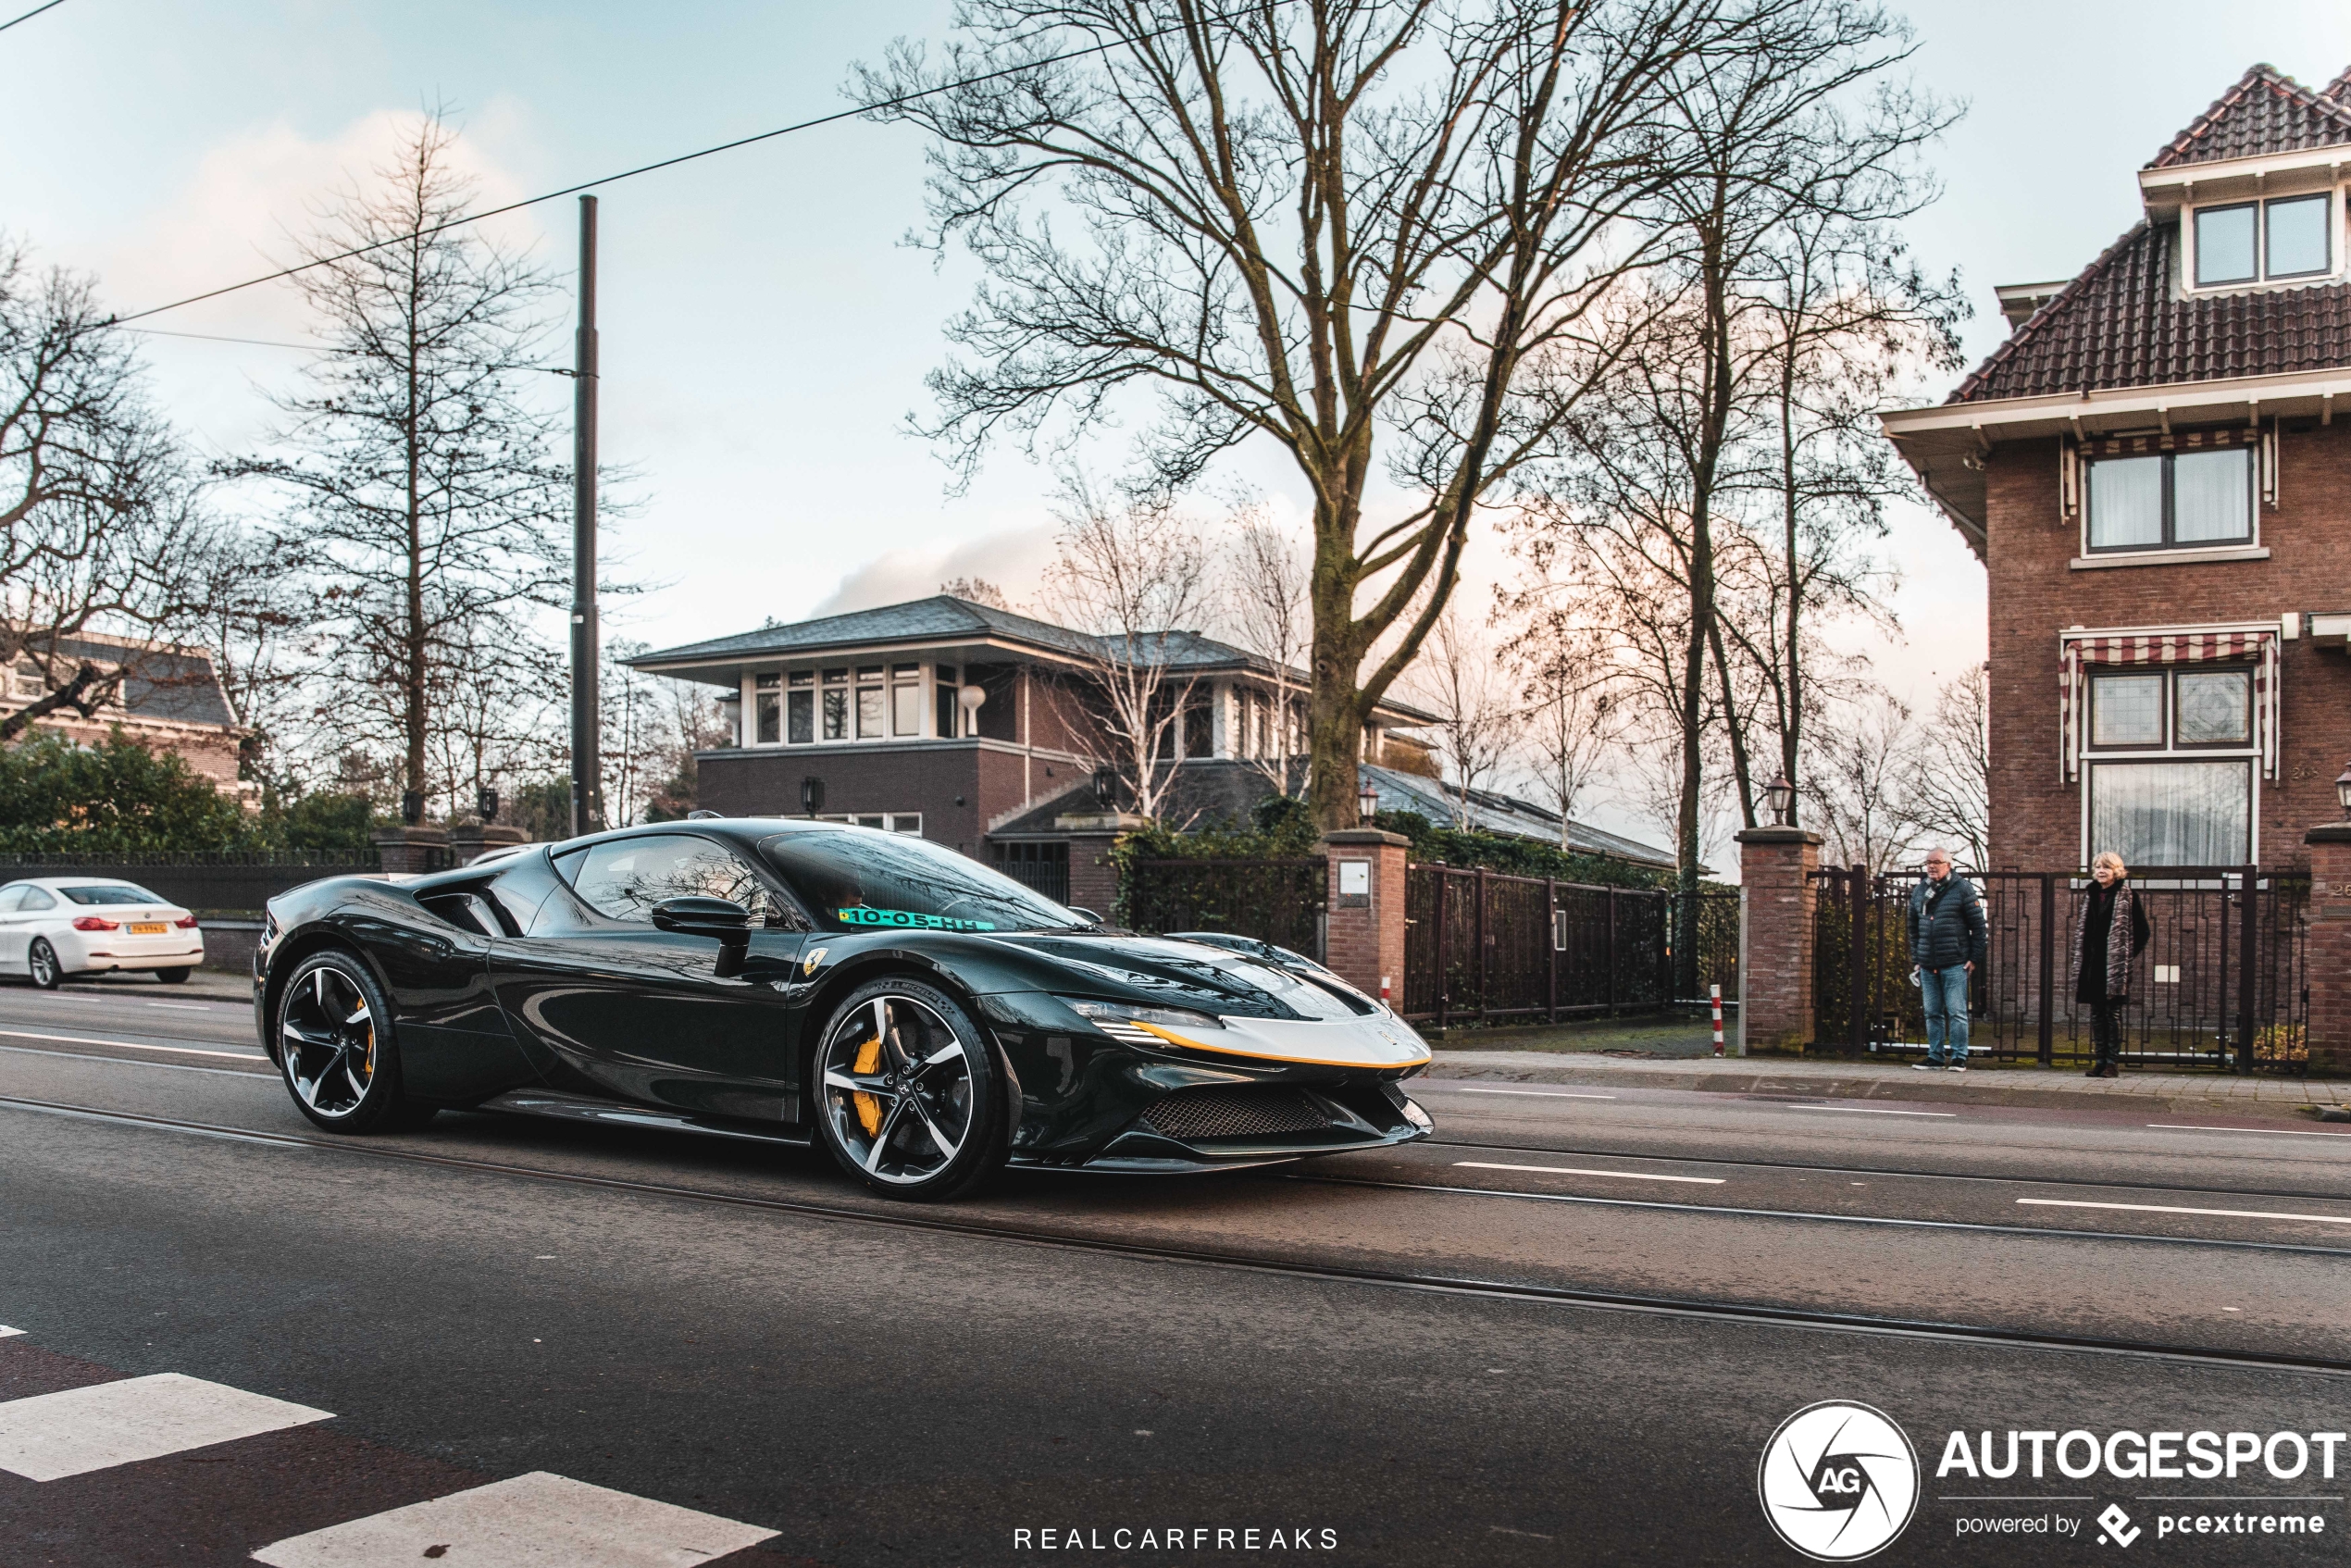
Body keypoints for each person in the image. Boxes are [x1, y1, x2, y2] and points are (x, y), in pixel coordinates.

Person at [1907, 848, 1987, 1072]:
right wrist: (1917, 957)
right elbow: (1913, 927)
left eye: (1937, 862)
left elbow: (1979, 928)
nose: (1932, 866)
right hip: (1927, 963)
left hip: (1954, 962)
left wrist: (1973, 958)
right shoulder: (1920, 891)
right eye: (1928, 862)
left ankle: (1959, 1057)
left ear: (1948, 865)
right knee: (1932, 1012)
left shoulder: (1962, 889)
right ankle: (1935, 1057)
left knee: (1957, 1012)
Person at [2072, 850, 2150, 1079]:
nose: (2101, 871)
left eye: (2106, 867)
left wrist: (2123, 956)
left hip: (2113, 967)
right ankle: (2099, 1060)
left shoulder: (2128, 896)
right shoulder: (2090, 896)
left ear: (2116, 871)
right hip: (2092, 965)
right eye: (2097, 867)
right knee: (2096, 1014)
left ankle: (2111, 1063)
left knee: (2111, 1014)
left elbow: (2143, 932)